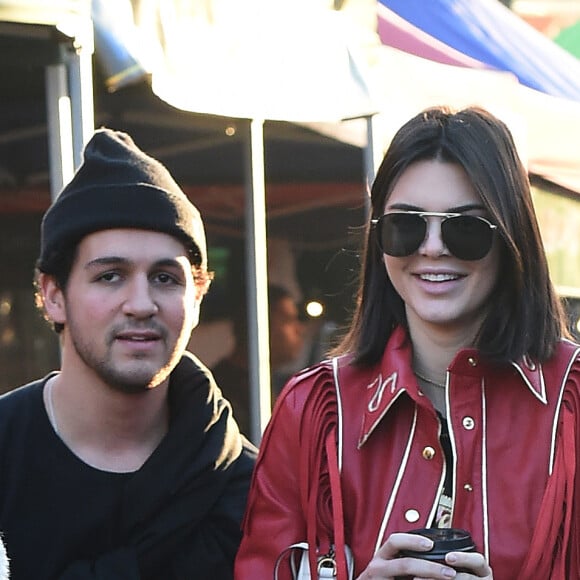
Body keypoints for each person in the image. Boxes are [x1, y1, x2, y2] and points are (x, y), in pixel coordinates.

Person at [234, 106, 580, 579]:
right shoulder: (314, 410)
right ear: (378, 238)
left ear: (511, 237)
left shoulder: (572, 403)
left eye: (466, 228)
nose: (432, 247)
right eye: (406, 225)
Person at [0, 128, 256, 579]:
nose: (141, 304)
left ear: (197, 296)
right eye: (110, 276)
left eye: (165, 278)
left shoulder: (250, 488)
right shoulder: (7, 453)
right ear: (54, 295)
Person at [212, 284, 304, 437]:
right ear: (262, 325)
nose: (299, 329)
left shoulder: (275, 385)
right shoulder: (220, 392)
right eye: (288, 320)